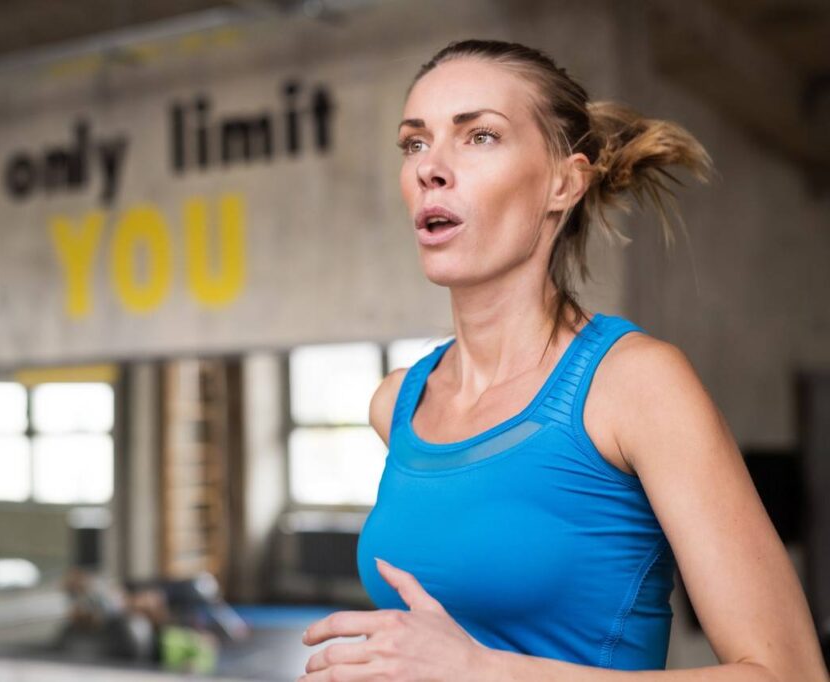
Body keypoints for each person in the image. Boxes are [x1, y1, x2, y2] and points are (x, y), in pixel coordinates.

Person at [298, 39, 830, 681]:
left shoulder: (635, 385)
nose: (430, 168)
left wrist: (483, 671)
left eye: (479, 137)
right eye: (415, 143)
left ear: (564, 181)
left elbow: (790, 673)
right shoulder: (398, 403)